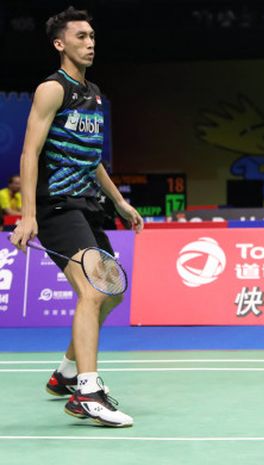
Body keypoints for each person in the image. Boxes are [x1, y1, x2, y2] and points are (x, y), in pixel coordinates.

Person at [9, 7, 143, 427]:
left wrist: (119, 201)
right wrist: (27, 215)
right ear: (60, 43)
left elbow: (91, 158)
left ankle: (65, 374)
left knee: (112, 292)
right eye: (81, 37)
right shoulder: (52, 89)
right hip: (56, 206)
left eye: (93, 37)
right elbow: (30, 151)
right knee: (92, 291)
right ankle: (88, 390)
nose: (90, 43)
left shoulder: (95, 94)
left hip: (86, 205)